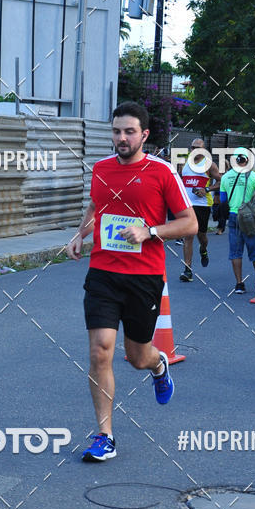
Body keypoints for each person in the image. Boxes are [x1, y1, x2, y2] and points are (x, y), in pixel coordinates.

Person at [67, 101, 198, 462]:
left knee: (137, 356)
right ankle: (104, 435)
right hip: (104, 273)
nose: (121, 138)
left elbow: (189, 223)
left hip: (144, 277)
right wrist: (80, 235)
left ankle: (158, 366)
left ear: (144, 135)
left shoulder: (162, 172)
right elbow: (97, 208)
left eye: (128, 132)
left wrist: (149, 231)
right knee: (100, 351)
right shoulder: (101, 168)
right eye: (116, 131)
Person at [219, 149, 255, 293]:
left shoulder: (226, 177)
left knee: (235, 252)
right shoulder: (252, 175)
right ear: (246, 160)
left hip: (234, 216)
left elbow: (222, 200)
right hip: (249, 217)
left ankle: (239, 284)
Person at [179, 138, 222, 281]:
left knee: (201, 236)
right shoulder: (184, 163)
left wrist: (207, 189)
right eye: (193, 147)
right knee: (188, 236)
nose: (195, 150)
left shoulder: (209, 165)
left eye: (198, 148)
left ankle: (203, 250)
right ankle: (188, 270)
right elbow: (179, 181)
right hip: (187, 205)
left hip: (202, 205)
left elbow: (221, 181)